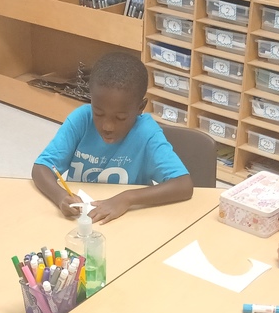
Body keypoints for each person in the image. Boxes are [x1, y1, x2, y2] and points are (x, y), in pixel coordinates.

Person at [32, 51, 193, 224]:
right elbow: (41, 168)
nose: (107, 126)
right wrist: (60, 196)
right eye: (98, 113)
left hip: (128, 222)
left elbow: (183, 185)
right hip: (81, 222)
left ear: (141, 107)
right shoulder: (81, 120)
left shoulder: (146, 133)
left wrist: (127, 198)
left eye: (120, 118)